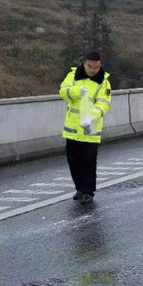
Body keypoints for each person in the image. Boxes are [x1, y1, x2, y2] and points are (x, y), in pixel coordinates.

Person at [59, 51, 112, 205]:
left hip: (90, 128)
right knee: (73, 160)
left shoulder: (104, 81)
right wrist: (77, 92)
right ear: (84, 63)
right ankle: (79, 188)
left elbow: (104, 103)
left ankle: (88, 191)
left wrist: (91, 116)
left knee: (88, 161)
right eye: (90, 66)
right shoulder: (73, 75)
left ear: (99, 65)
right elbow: (63, 92)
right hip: (72, 128)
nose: (93, 70)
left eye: (96, 67)